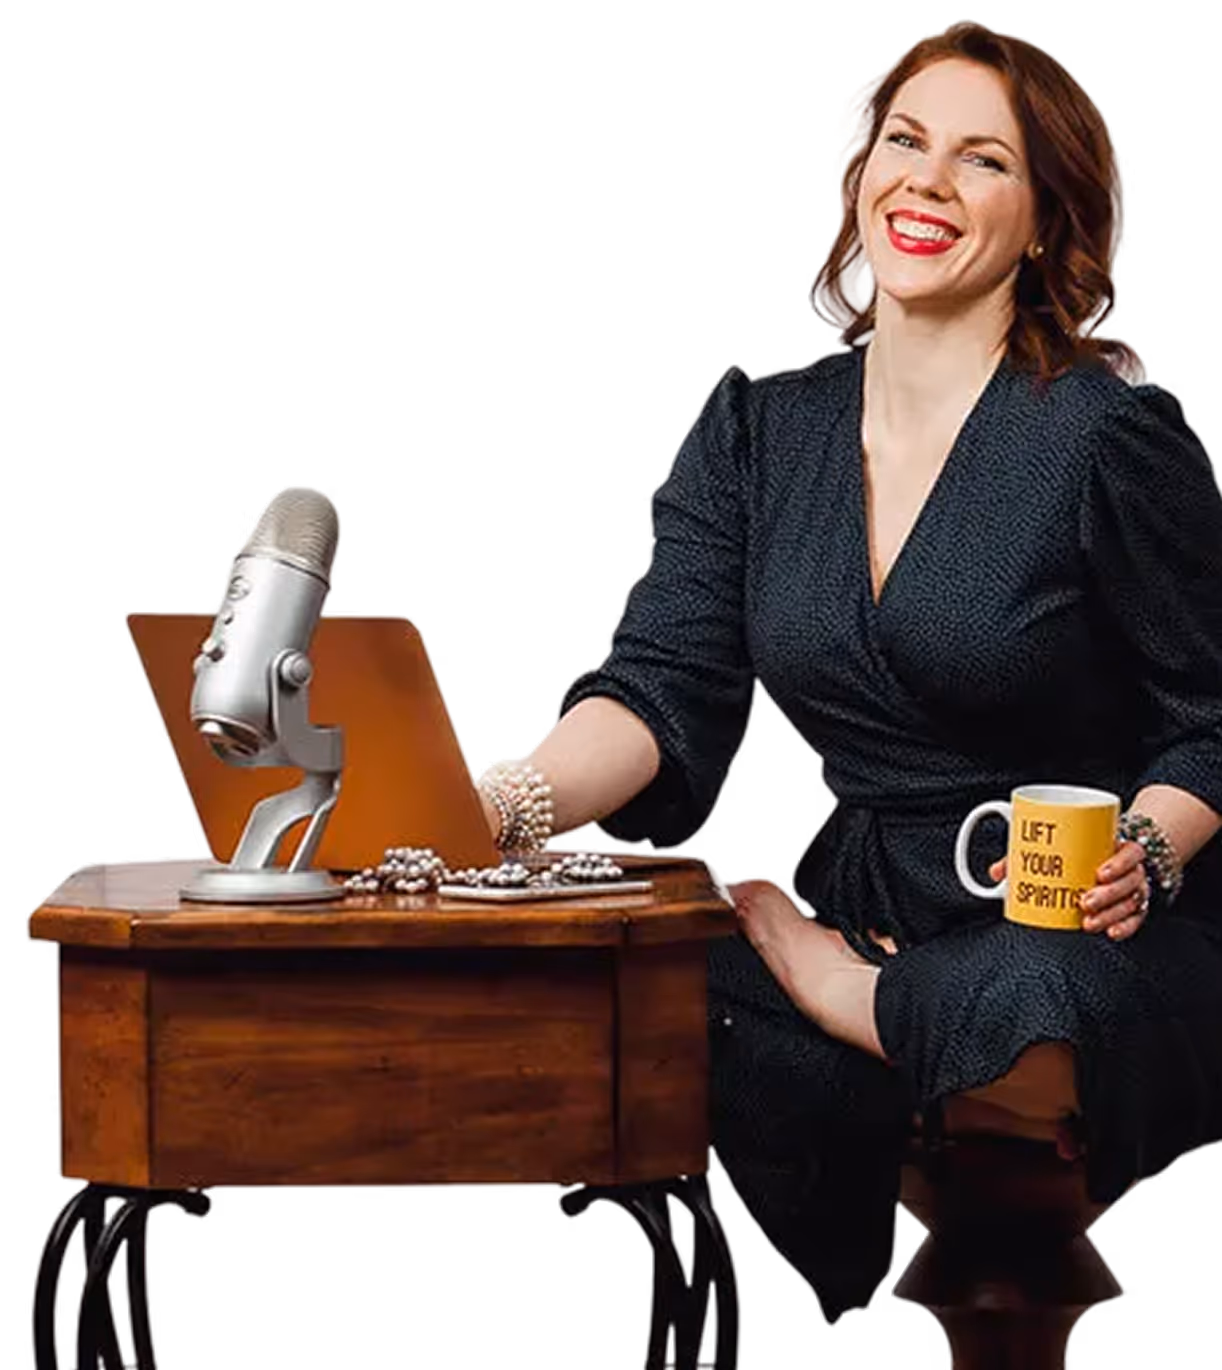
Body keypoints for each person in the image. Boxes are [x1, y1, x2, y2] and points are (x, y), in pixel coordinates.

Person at [475, 21, 1222, 1327]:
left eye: (982, 159)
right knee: (622, 971)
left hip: (1063, 924)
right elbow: (659, 681)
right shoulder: (759, 428)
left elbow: (1206, 716)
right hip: (858, 889)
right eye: (905, 142)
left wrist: (1145, 853)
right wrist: (504, 801)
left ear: (1046, 221)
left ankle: (848, 993)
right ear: (858, 174)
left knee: (1031, 999)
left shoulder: (1110, 437)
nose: (926, 179)